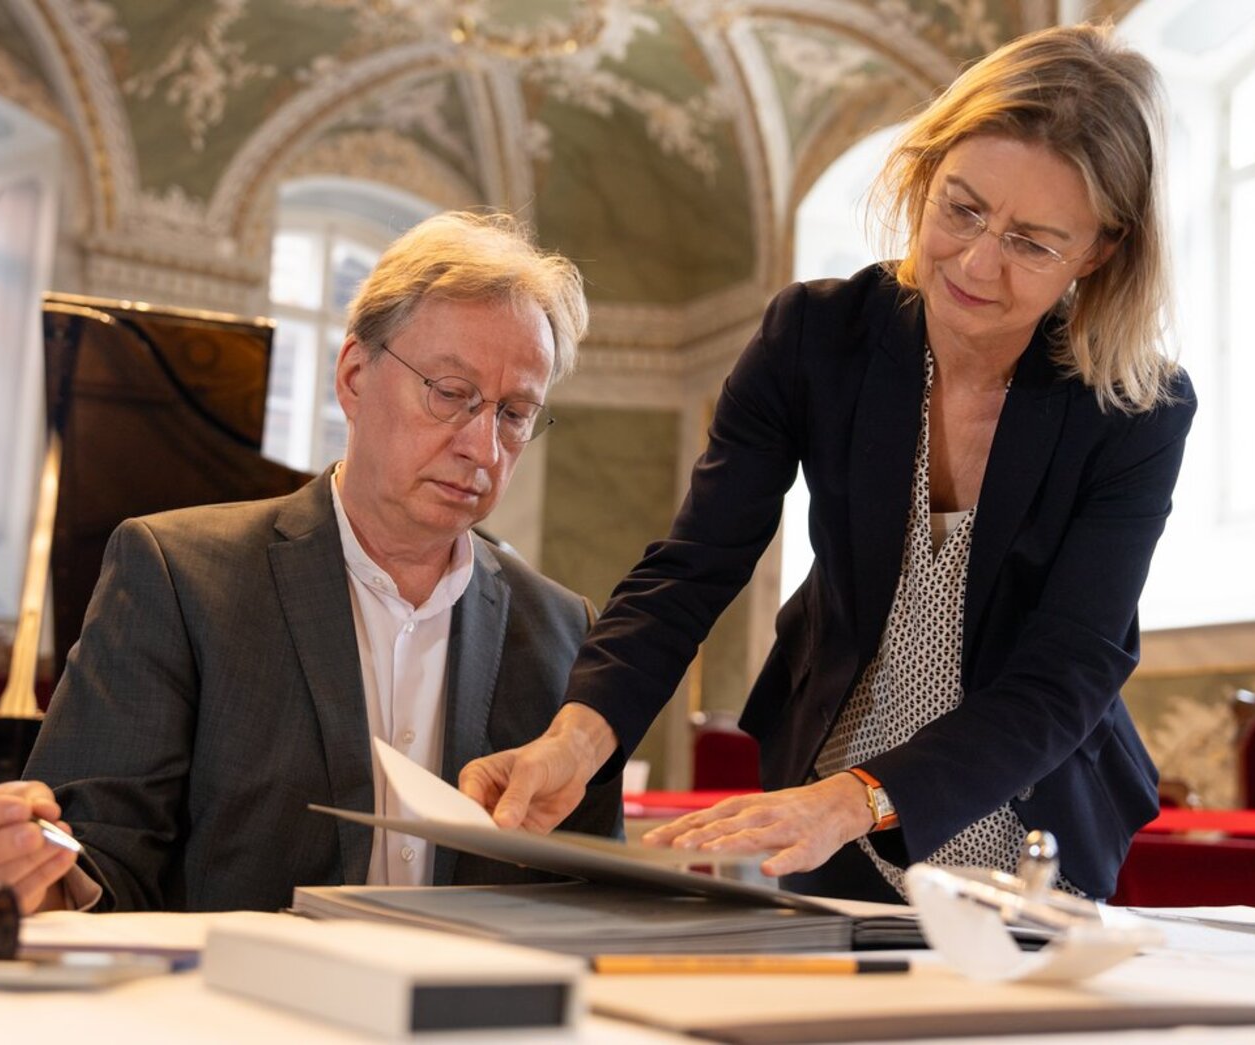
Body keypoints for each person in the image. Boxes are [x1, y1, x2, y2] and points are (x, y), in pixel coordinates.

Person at [461, 23, 1194, 902]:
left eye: (1033, 242)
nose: (975, 260)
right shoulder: (816, 336)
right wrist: (577, 738)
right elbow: (695, 567)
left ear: (1101, 252)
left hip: (1028, 820)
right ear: (925, 174)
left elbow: (1065, 673)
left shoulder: (1135, 409)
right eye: (960, 208)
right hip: (821, 796)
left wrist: (858, 801)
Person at [0, 211, 622, 913]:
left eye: (515, 413)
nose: (483, 446)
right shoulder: (178, 577)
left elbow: (592, 900)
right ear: (354, 376)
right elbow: (97, 855)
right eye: (450, 393)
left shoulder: (564, 629)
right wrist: (13, 870)